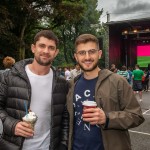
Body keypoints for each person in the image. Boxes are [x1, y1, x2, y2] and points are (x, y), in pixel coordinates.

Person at [67, 34, 144, 150]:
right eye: (82, 53)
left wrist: (107, 118)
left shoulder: (118, 81)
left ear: (99, 54)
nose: (87, 57)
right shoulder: (72, 84)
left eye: (92, 51)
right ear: (76, 57)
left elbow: (136, 116)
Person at [0, 30, 68, 150]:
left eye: (51, 48)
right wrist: (12, 125)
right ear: (33, 48)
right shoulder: (9, 77)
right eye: (42, 46)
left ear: (56, 52)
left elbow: (64, 119)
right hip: (12, 146)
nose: (46, 51)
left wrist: (63, 145)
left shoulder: (62, 84)